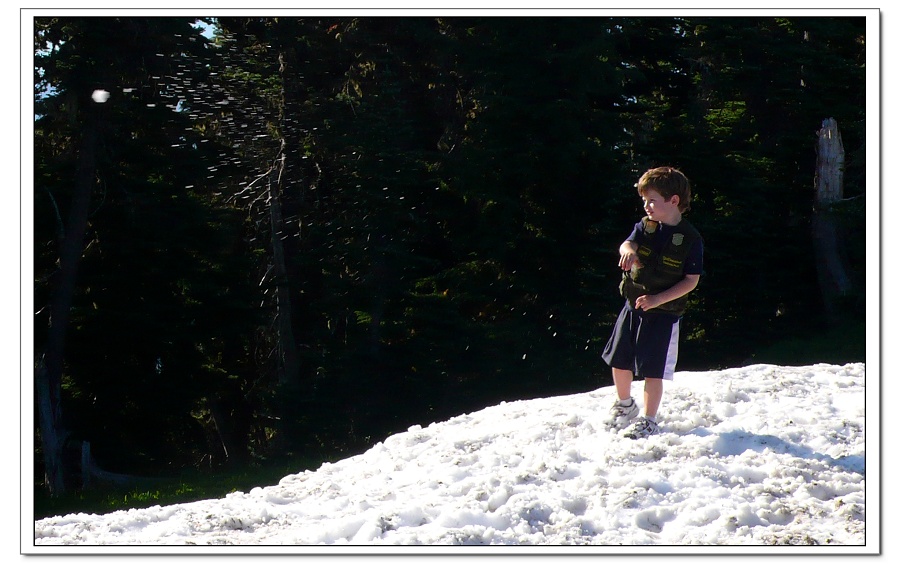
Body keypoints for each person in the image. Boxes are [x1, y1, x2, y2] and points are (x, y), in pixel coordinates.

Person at [601, 166, 703, 439]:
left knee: (652, 370)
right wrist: (629, 252)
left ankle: (649, 419)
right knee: (619, 359)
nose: (646, 206)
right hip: (632, 306)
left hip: (663, 315)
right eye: (644, 200)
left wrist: (658, 299)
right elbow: (627, 244)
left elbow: (691, 280)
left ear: (674, 201)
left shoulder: (691, 239)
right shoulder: (645, 226)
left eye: (652, 200)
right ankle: (625, 405)